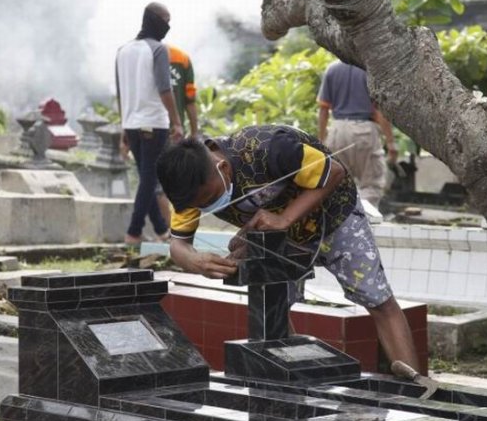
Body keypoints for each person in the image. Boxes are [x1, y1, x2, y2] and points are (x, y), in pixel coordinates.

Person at [156, 124, 420, 370]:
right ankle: (297, 376)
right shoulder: (190, 189)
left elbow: (334, 171)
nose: (206, 208)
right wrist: (194, 261)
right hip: (277, 234)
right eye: (199, 206)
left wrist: (284, 219)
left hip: (334, 215)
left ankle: (417, 388)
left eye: (210, 199)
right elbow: (178, 244)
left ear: (223, 167)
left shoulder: (270, 148)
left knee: (377, 300)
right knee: (273, 310)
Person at [116, 2, 183, 245]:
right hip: (154, 123)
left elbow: (121, 93)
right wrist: (177, 122)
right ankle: (133, 232)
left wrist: (124, 126)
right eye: (166, 19)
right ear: (154, 20)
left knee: (147, 179)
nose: (168, 25)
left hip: (133, 123)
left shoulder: (123, 51)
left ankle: (161, 230)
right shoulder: (158, 49)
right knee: (149, 179)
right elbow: (165, 89)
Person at [318, 60, 397, 207]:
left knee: (338, 186)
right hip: (364, 130)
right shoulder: (370, 70)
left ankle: (343, 225)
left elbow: (323, 110)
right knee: (371, 185)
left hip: (337, 130)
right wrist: (391, 142)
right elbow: (379, 111)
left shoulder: (332, 69)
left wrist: (321, 141)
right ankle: (364, 224)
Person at [154, 44, 199, 226]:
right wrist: (193, 130)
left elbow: (190, 99)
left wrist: (194, 131)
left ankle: (171, 227)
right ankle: (173, 227)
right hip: (172, 130)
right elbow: (190, 100)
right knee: (171, 178)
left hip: (159, 128)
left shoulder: (179, 58)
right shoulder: (182, 57)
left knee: (160, 178)